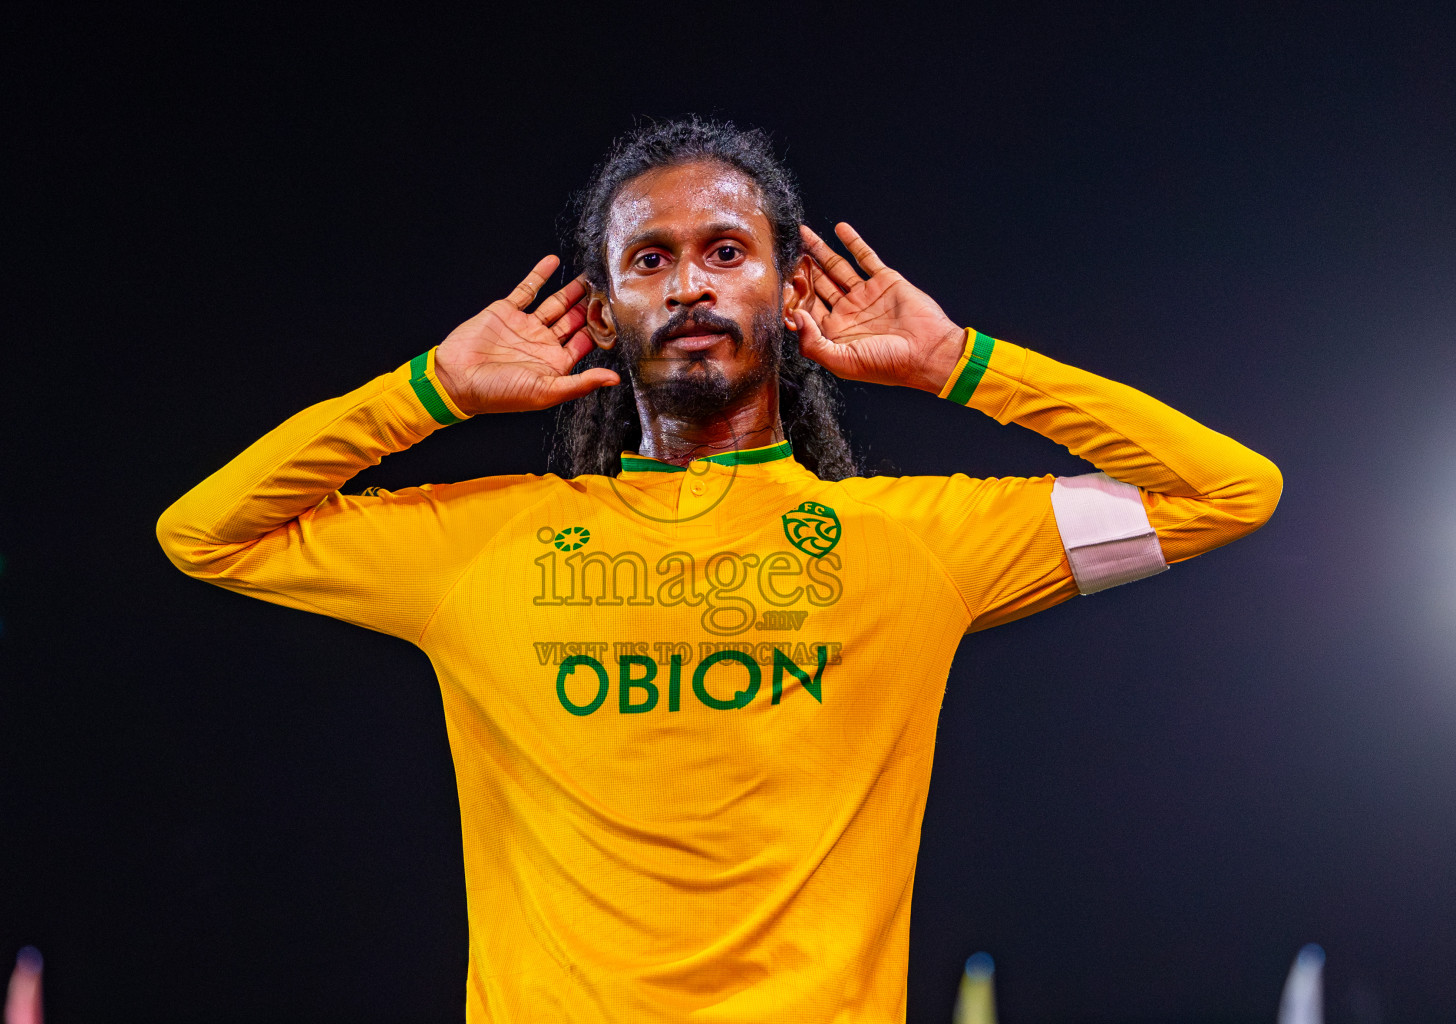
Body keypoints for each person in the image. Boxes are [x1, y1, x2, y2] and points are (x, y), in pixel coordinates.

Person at [157, 118, 1281, 1021]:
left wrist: (958, 363)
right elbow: (206, 532)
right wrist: (428, 392)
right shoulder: (483, 543)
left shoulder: (912, 545)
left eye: (726, 251)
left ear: (789, 296)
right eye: (651, 259)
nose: (690, 283)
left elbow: (1229, 491)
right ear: (601, 313)